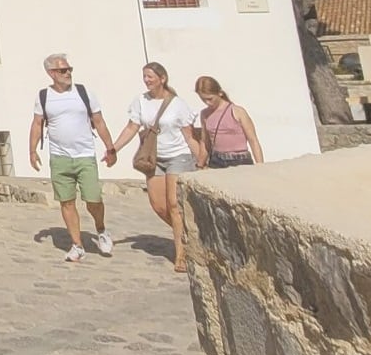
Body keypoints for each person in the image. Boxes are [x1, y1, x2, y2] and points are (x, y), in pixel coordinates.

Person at [111, 61, 205, 274]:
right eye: (144, 76)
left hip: (178, 157)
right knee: (158, 205)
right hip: (153, 158)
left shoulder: (177, 104)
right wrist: (113, 148)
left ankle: (181, 253)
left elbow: (188, 135)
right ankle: (188, 236)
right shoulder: (140, 102)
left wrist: (201, 159)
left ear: (162, 78)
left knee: (174, 204)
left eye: (150, 76)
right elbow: (132, 127)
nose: (146, 80)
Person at [27, 52, 119, 263]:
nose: (68, 73)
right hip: (60, 157)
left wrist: (110, 147)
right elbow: (37, 124)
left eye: (69, 69)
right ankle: (77, 244)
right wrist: (32, 151)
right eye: (62, 70)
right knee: (66, 202)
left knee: (93, 199)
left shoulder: (83, 93)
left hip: (85, 154)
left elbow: (99, 120)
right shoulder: (43, 97)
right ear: (51, 73)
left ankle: (101, 230)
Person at [194, 76, 263, 169]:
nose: (207, 103)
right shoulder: (205, 114)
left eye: (210, 99)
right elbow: (205, 142)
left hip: (239, 160)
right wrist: (200, 165)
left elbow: (253, 140)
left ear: (220, 93)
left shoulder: (237, 111)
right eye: (203, 99)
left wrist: (260, 166)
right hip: (217, 160)